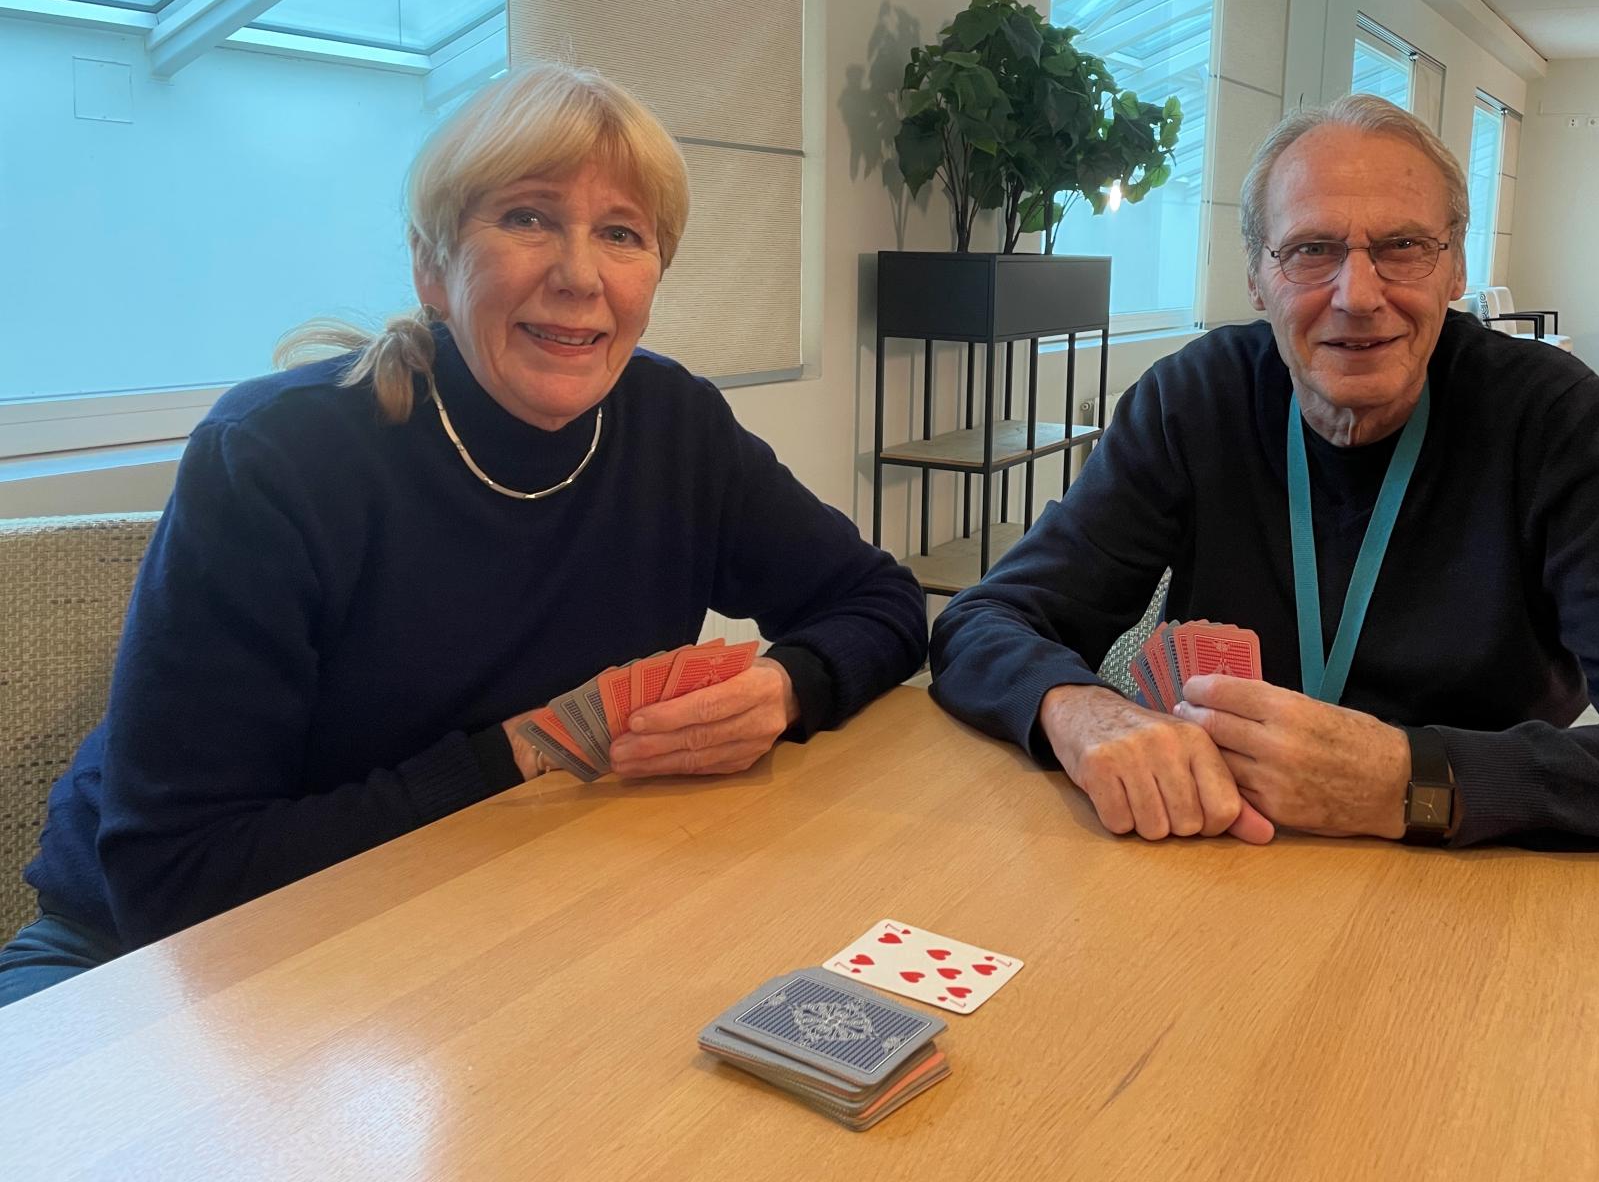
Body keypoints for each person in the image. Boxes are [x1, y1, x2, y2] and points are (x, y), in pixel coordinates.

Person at [0, 63, 927, 1007]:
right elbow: (177, 878)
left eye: (621, 234)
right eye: (526, 217)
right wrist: (534, 747)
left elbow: (883, 603)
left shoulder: (674, 425)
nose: (578, 276)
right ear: (431, 266)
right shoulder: (276, 457)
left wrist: (784, 687)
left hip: (481, 920)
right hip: (139, 969)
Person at [930, 93, 1599, 854]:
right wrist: (1083, 713)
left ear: (1456, 267)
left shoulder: (1549, 422)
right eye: (1311, 250)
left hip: (1468, 868)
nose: (1358, 293)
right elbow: (982, 621)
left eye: (1402, 247)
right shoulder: (1193, 400)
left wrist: (1410, 780)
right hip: (1223, 859)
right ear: (1256, 277)